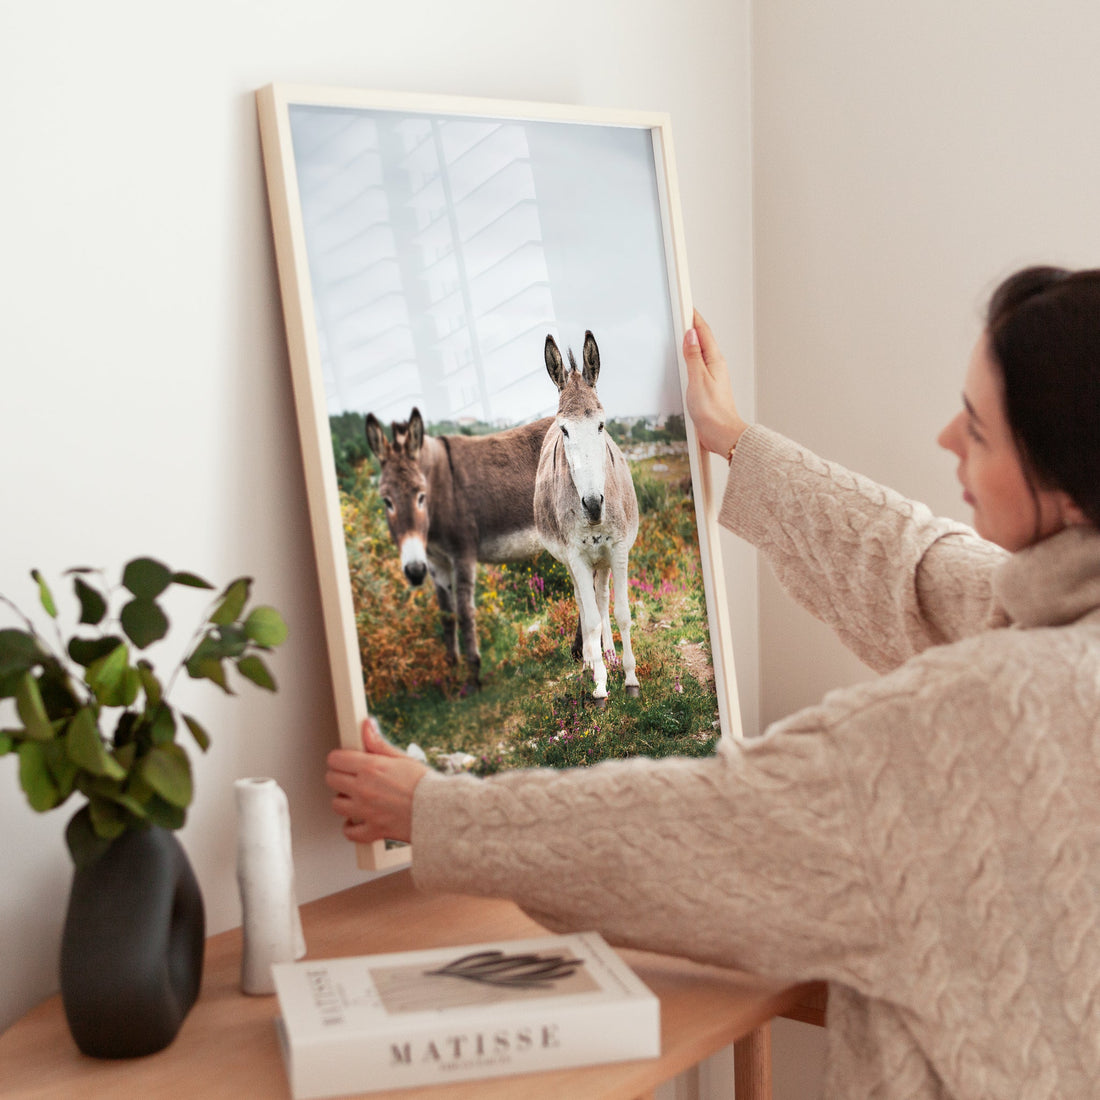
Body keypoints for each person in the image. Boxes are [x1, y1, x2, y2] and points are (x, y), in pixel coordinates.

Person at [326, 266, 1100, 1099]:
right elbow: (916, 567)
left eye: (979, 431)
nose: (948, 437)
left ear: (1063, 485)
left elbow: (707, 827)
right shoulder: (1061, 618)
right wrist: (734, 439)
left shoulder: (974, 718)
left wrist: (434, 811)